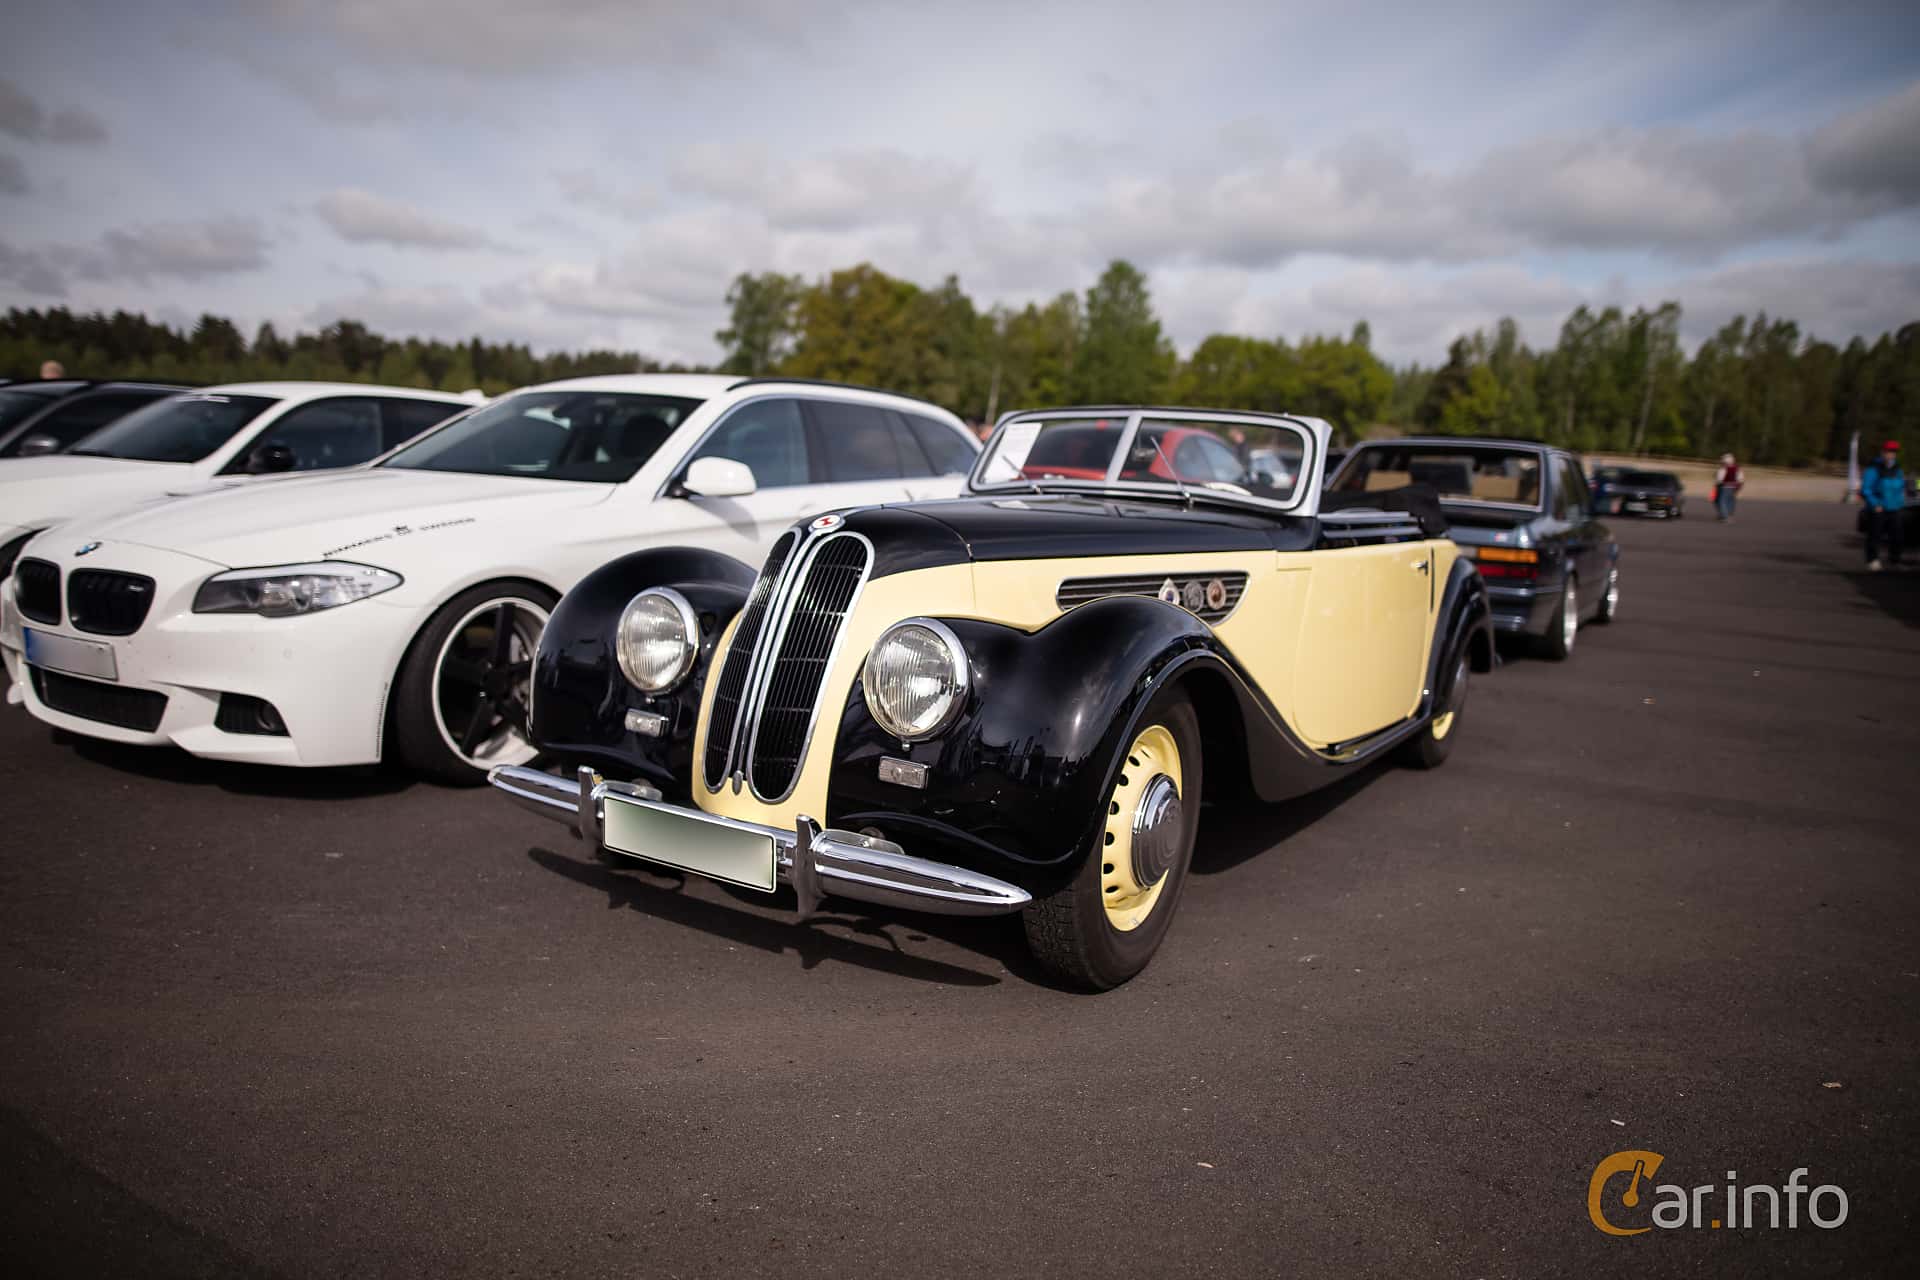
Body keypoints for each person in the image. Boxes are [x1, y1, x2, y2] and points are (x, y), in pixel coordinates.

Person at [1861, 440, 1907, 571]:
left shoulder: (1898, 469)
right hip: (1879, 508)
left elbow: (1903, 485)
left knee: (1897, 537)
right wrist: (1875, 504)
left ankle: (1894, 561)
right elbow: (1866, 489)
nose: (1891, 454)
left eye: (1893, 452)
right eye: (1888, 451)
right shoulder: (1873, 469)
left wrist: (1902, 499)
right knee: (1875, 536)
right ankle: (1872, 560)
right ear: (1882, 452)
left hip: (1895, 508)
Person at [1714, 452, 1744, 521]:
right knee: (1730, 501)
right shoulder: (1737, 469)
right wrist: (1739, 487)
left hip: (1725, 486)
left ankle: (1724, 516)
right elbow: (1741, 479)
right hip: (1734, 487)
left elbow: (1719, 479)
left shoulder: (1724, 469)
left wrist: (1717, 484)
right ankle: (1729, 514)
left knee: (1722, 501)